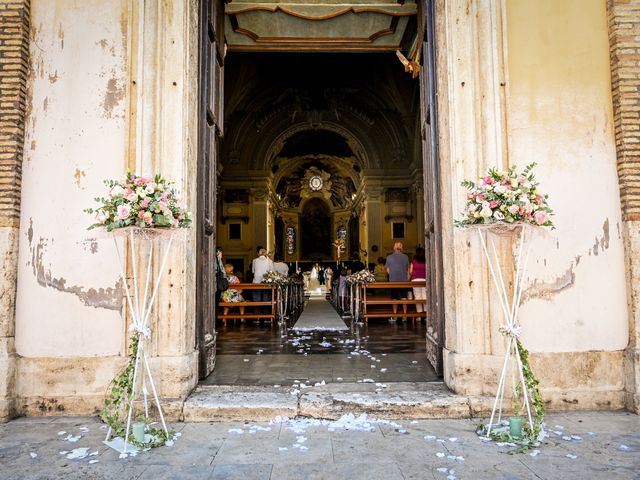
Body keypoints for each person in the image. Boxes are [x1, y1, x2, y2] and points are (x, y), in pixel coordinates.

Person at [385, 242, 410, 321]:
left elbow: (388, 271)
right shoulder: (406, 257)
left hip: (393, 280)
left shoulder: (389, 257)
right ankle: (404, 316)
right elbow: (408, 270)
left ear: (394, 248)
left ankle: (395, 315)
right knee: (404, 297)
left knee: (394, 298)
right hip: (404, 280)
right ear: (401, 248)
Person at [252, 247, 274, 317]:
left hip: (256, 282)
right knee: (266, 298)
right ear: (265, 254)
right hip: (266, 282)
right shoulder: (269, 261)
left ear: (259, 254)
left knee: (256, 299)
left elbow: (253, 271)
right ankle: (266, 315)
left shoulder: (254, 261)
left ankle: (257, 316)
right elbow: (272, 272)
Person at [409, 247, 427, 320]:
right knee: (425, 296)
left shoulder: (413, 261)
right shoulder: (426, 261)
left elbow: (410, 271)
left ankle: (419, 315)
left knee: (417, 296)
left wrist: (410, 277)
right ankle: (426, 315)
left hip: (415, 280)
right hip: (424, 279)